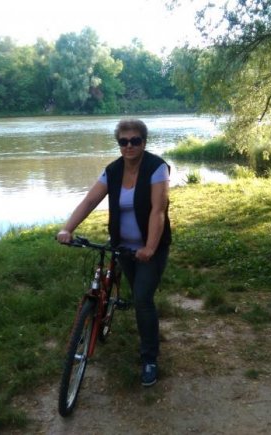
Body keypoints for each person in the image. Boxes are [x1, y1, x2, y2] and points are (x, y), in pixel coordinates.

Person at [56, 119, 171, 387]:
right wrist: (67, 228)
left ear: (144, 142)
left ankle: (149, 358)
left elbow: (158, 211)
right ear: (119, 144)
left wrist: (150, 248)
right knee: (133, 289)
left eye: (135, 141)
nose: (129, 146)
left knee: (142, 299)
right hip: (122, 246)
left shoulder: (156, 168)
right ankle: (104, 315)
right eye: (123, 141)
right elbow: (90, 200)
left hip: (150, 248)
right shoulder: (113, 170)